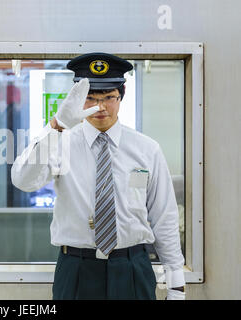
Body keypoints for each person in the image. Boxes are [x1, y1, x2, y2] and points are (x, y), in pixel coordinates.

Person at [11, 52, 185, 300]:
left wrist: (176, 284)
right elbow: (23, 180)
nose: (100, 107)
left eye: (108, 98)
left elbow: (163, 216)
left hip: (132, 267)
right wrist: (56, 126)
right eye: (90, 98)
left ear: (121, 96)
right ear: (78, 101)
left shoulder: (146, 149)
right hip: (77, 269)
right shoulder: (61, 143)